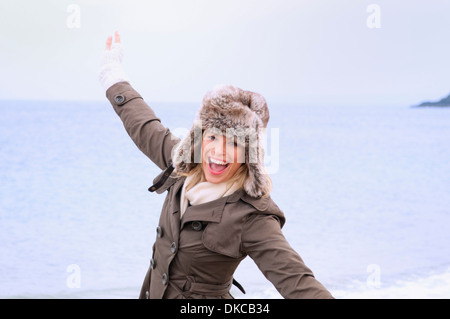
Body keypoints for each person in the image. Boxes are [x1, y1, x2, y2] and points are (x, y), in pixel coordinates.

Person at [99, 31, 334, 299]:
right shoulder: (181, 167)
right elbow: (144, 125)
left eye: (234, 143)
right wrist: (112, 75)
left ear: (249, 155)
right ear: (200, 139)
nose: (218, 152)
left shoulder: (253, 215)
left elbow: (296, 279)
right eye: (212, 137)